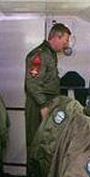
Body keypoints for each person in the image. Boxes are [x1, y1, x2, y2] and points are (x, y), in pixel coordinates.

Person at [25, 23, 71, 160]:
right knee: (36, 144)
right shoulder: (39, 55)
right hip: (38, 106)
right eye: (65, 40)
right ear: (57, 37)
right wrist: (44, 106)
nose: (67, 44)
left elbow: (48, 80)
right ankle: (34, 174)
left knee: (47, 144)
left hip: (48, 103)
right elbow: (32, 84)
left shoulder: (51, 54)